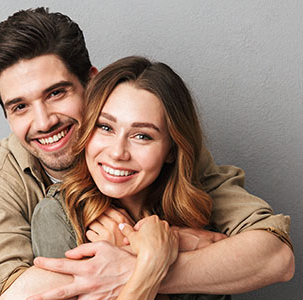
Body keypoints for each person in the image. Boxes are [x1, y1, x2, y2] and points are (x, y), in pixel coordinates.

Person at [0, 8, 294, 300]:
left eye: (57, 93)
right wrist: (154, 255)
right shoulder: (1, 182)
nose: (44, 121)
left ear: (92, 81)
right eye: (20, 107)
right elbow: (13, 293)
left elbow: (274, 257)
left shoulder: (160, 145)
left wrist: (143, 256)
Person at [31, 56, 232, 300]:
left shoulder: (195, 212)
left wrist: (143, 253)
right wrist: (150, 262)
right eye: (105, 127)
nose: (117, 152)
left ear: (171, 150)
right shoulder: (58, 215)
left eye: (142, 136)